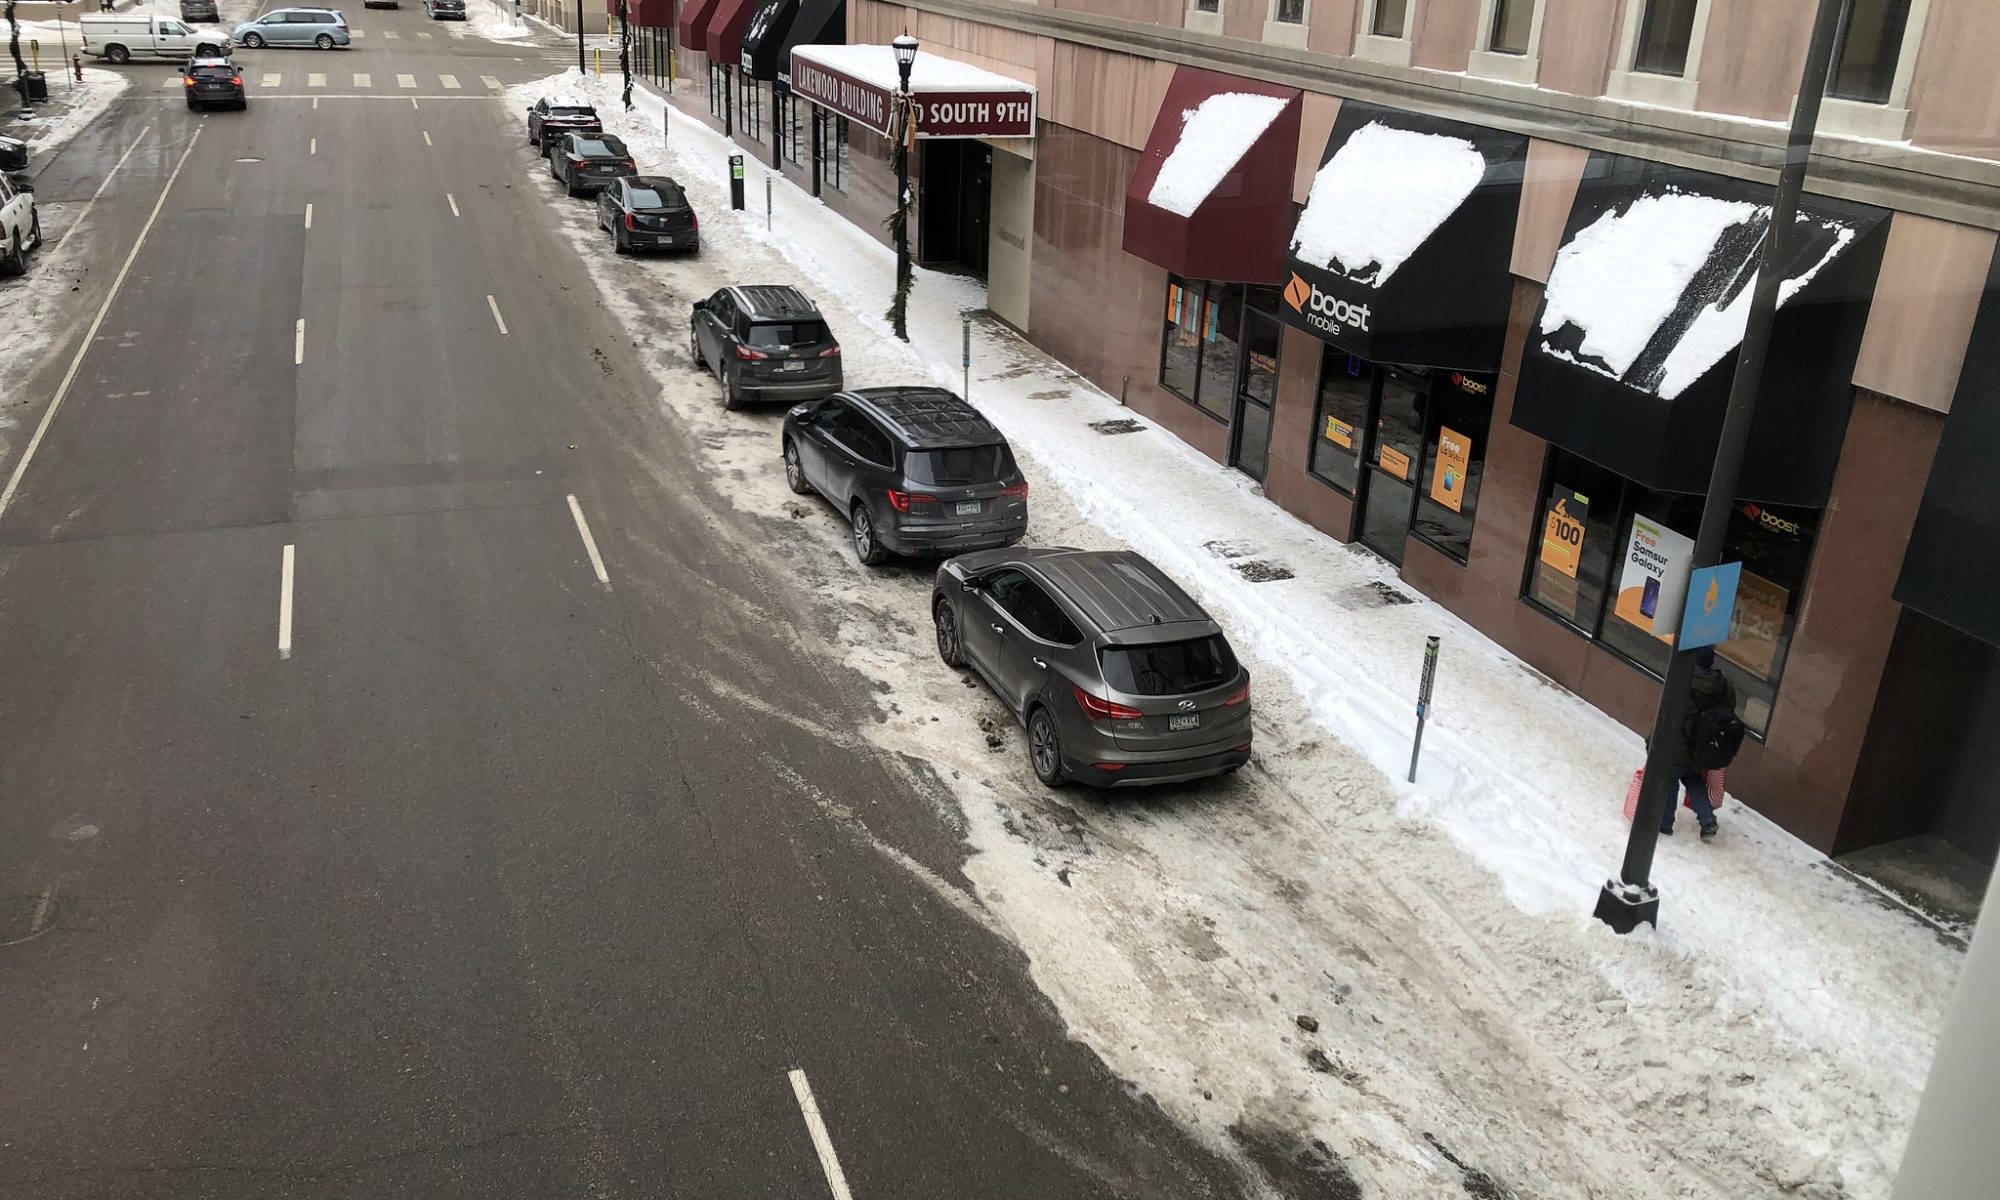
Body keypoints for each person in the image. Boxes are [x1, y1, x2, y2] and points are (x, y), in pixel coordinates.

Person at [1663, 648, 1737, 842]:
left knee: (1670, 779)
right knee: (1693, 778)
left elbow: (1670, 714)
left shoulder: (1683, 681)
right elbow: (1727, 712)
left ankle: (1665, 824)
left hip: (1679, 744)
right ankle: (1707, 819)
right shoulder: (1725, 686)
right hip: (1705, 747)